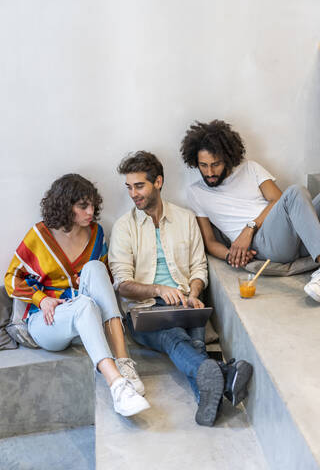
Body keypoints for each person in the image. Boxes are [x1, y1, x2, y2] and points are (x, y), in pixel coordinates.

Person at [108, 151, 252, 427]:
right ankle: (226, 372)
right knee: (176, 336)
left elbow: (199, 268)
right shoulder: (124, 228)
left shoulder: (186, 219)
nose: (133, 194)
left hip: (187, 305)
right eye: (129, 187)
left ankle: (210, 393)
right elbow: (122, 285)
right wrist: (159, 290)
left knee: (192, 339)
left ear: (158, 182)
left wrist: (194, 294)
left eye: (139, 186)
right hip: (145, 313)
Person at [4, 174, 150, 417]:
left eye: (92, 205)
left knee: (95, 268)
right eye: (83, 206)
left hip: (86, 319)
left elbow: (105, 280)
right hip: (46, 322)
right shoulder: (39, 236)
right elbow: (11, 278)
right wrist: (42, 298)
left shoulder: (96, 233)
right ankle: (117, 386)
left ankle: (124, 362)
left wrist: (87, 282)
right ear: (64, 206)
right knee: (84, 305)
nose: (91, 211)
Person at [180, 119, 320, 301]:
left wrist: (250, 227)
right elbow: (210, 241)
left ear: (228, 159)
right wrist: (231, 255)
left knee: (297, 194)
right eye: (203, 165)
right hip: (265, 245)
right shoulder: (196, 192)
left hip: (289, 235)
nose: (209, 172)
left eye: (216, 164)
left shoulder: (251, 169)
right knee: (295, 191)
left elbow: (277, 200)